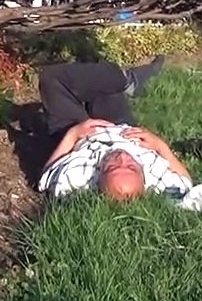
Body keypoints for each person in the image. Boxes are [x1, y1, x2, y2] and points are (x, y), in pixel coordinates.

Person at [37, 56, 193, 200]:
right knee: (103, 76)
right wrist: (161, 146)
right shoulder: (160, 181)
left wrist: (73, 134)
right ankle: (128, 80)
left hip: (82, 137)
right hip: (122, 129)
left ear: (98, 177)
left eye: (111, 167)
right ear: (145, 179)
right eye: (131, 167)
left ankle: (127, 79)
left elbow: (47, 175)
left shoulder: (77, 179)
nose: (122, 157)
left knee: (51, 78)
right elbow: (186, 183)